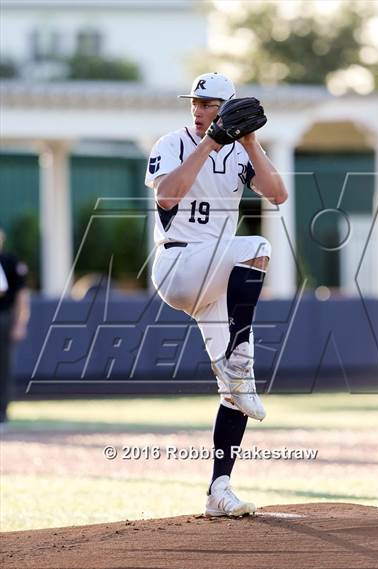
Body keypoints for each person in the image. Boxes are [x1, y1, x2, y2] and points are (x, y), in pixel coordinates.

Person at [145, 72, 288, 517]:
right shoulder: (173, 142)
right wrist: (210, 142)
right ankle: (240, 354)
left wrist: (248, 142)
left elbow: (278, 194)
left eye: (208, 103)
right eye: (195, 102)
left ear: (226, 107)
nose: (198, 109)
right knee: (258, 247)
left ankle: (219, 489)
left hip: (215, 279)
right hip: (179, 265)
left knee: (234, 390)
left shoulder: (240, 155)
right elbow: (167, 197)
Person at [0, 228, 30, 425]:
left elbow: (21, 296)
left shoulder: (10, 261)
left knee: (3, 366)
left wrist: (20, 323)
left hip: (3, 317)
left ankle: (2, 412)